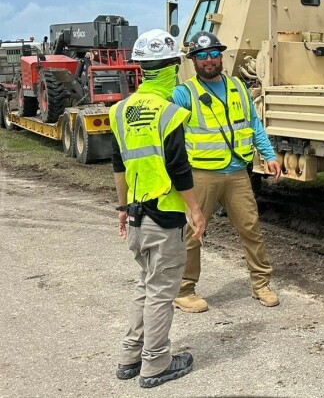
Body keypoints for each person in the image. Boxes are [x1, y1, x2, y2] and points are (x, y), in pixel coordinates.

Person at [109, 29, 206, 388]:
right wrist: (195, 210)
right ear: (172, 67)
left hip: (135, 214)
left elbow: (119, 165)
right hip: (164, 217)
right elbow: (180, 168)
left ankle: (130, 356)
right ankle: (154, 364)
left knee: (145, 285)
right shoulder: (169, 113)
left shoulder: (120, 110)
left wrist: (122, 207)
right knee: (162, 292)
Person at [171, 30, 283, 313]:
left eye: (213, 54)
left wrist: (268, 155)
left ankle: (261, 284)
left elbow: (253, 125)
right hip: (201, 175)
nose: (208, 60)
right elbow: (169, 135)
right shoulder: (183, 94)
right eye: (201, 56)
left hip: (237, 174)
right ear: (193, 61)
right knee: (193, 231)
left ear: (221, 56)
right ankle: (184, 290)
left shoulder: (238, 88)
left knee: (251, 228)